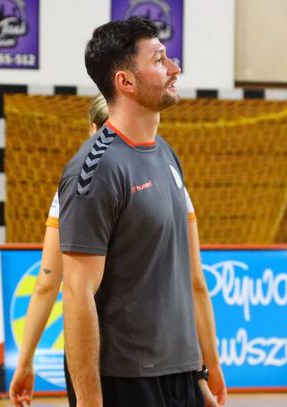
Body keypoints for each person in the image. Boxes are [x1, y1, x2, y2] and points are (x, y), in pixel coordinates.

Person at [59, 17, 225, 407]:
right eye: (159, 60)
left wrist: (199, 371)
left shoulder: (166, 152)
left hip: (180, 374)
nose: (174, 68)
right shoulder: (96, 169)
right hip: (127, 380)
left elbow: (185, 280)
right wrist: (89, 400)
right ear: (126, 82)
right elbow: (77, 294)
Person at [9, 94, 109, 407]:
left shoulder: (75, 184)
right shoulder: (165, 176)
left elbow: (47, 283)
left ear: (93, 128)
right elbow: (191, 281)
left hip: (90, 347)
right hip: (155, 348)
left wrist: (24, 362)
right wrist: (203, 366)